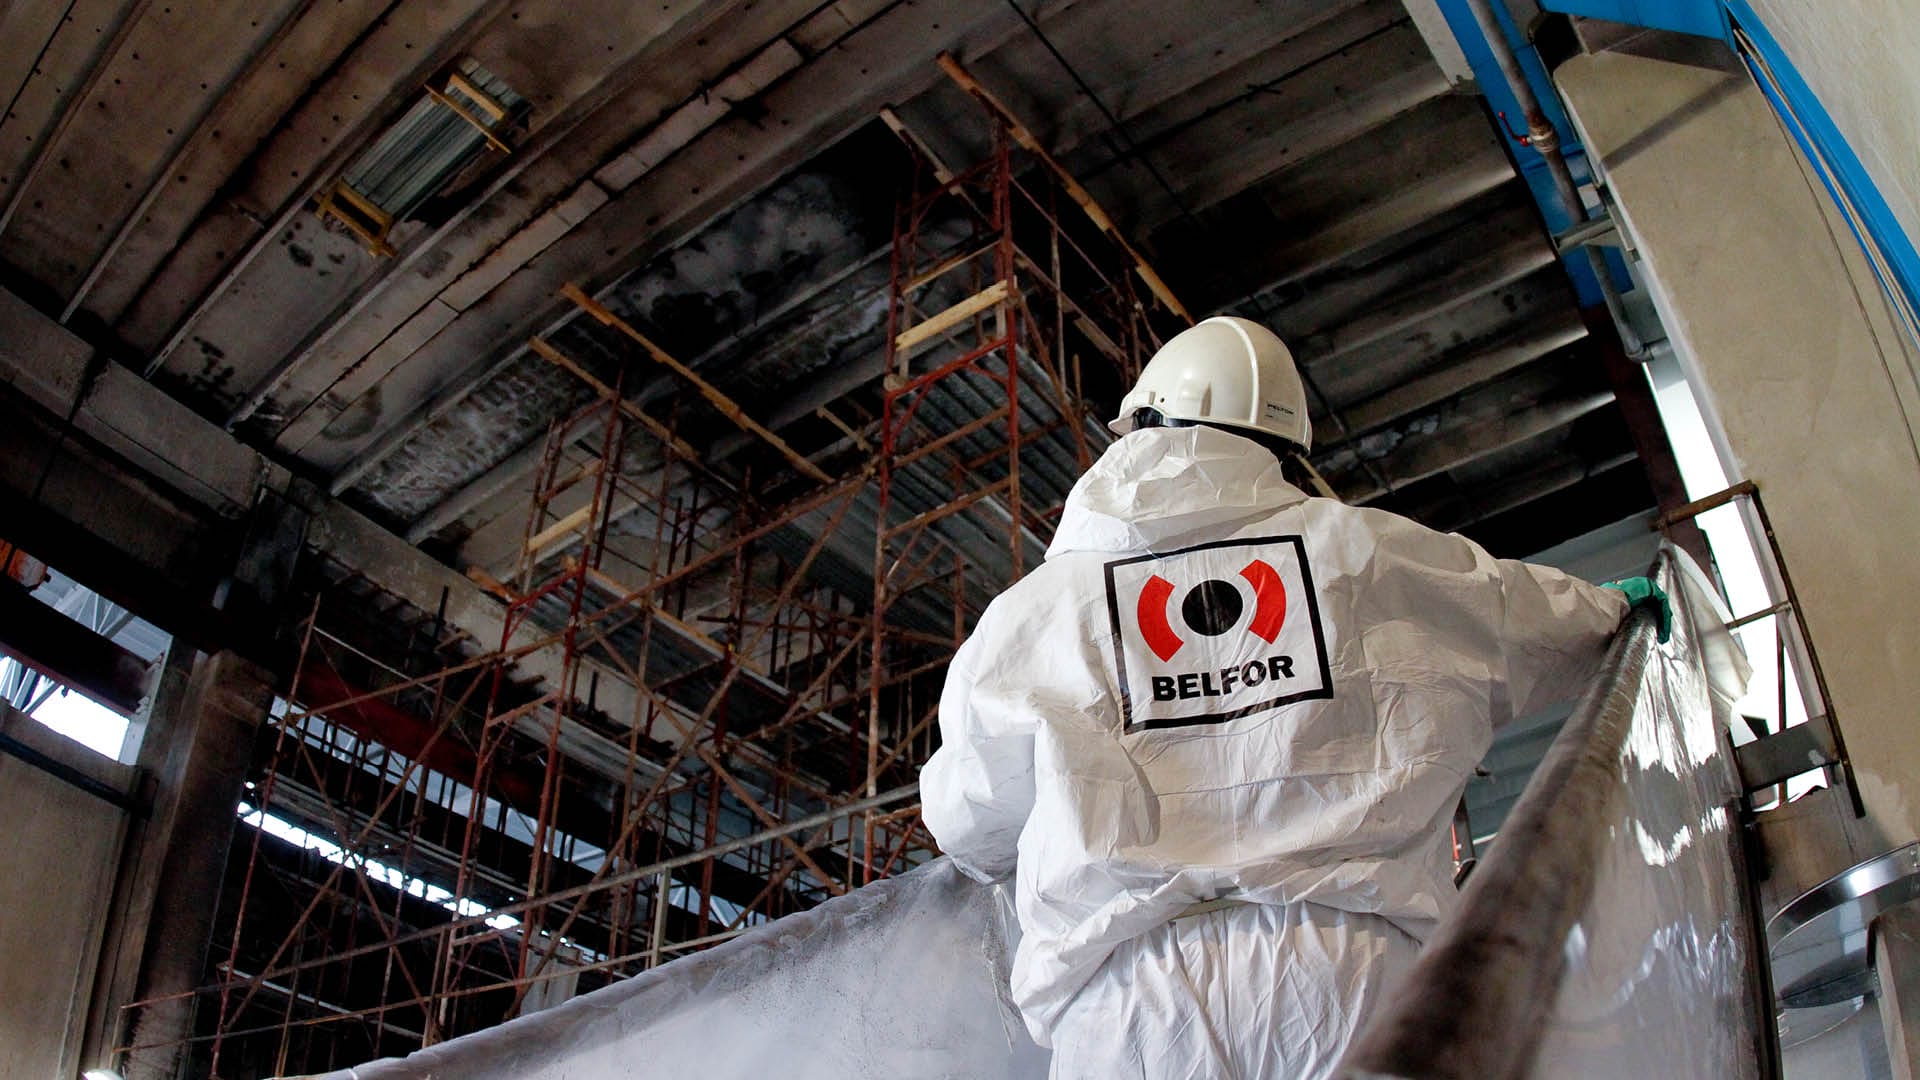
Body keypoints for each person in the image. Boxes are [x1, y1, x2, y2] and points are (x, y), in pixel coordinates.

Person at [919, 316, 1669, 1079]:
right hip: (1352, 975)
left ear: (1141, 425)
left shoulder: (1034, 612)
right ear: (1282, 450)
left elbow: (967, 817)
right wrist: (1617, 610)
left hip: (1126, 1007)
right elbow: (1521, 616)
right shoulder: (1366, 550)